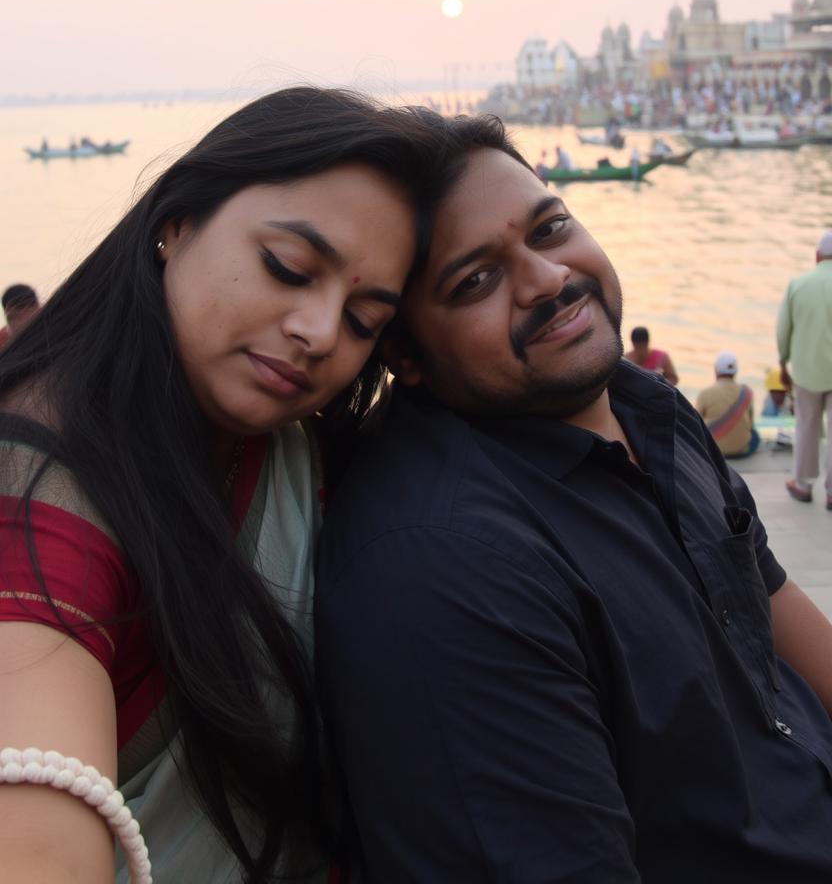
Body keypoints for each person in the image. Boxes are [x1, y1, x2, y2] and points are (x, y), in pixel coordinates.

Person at [316, 116, 832, 884]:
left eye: (550, 228)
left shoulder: (644, 404)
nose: (549, 279)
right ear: (404, 355)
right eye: (477, 280)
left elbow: (775, 607)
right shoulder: (448, 567)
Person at [0, 86, 453, 884]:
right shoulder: (40, 501)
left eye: (363, 320)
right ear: (176, 223)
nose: (318, 332)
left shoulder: (287, 442)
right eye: (287, 267)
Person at [777, 229, 832, 507]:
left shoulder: (798, 285)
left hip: (807, 370)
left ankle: (802, 484)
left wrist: (783, 362)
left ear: (817, 256)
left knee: (806, 426)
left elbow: (783, 329)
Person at [695, 350, 760, 458]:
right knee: (755, 436)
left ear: (716, 371)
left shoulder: (705, 393)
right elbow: (750, 424)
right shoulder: (747, 392)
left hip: (713, 452)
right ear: (736, 371)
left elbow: (695, 424)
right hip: (742, 450)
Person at [0, 283, 40, 350]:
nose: (27, 311)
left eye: (31, 304)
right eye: (20, 307)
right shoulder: (2, 340)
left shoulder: (53, 326)